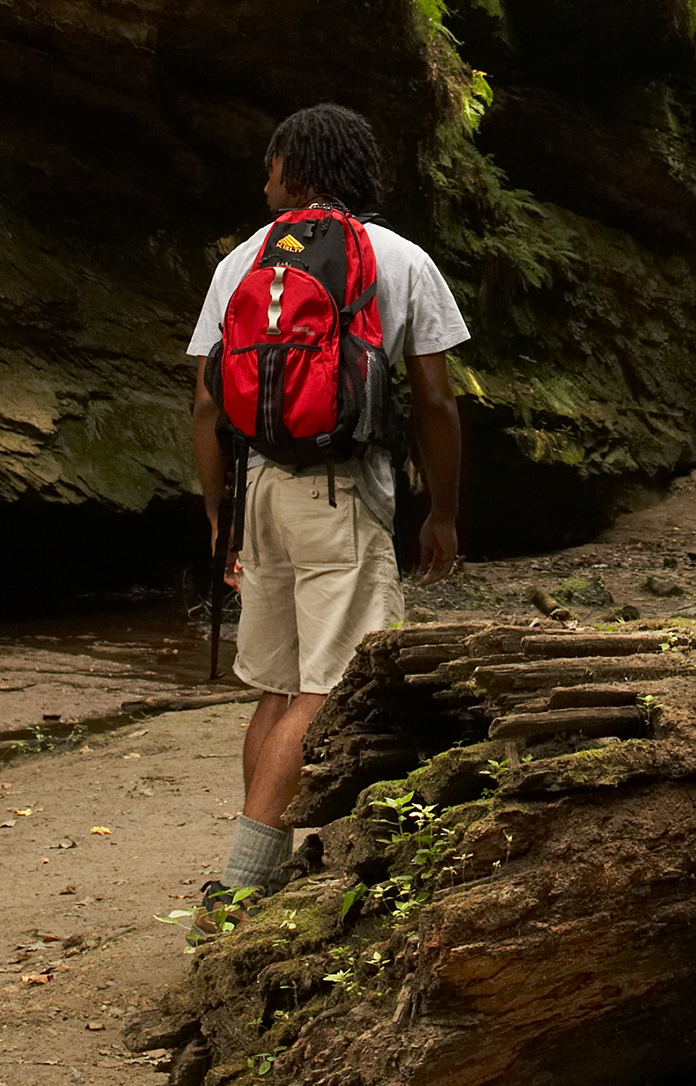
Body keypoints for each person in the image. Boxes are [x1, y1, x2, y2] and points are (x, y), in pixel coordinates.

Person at [187, 104, 467, 902]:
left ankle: (257, 868)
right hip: (343, 489)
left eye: (271, 164)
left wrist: (219, 514)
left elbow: (207, 403)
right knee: (330, 686)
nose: (262, 179)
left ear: (299, 168)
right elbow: (437, 402)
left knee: (277, 687)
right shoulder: (399, 258)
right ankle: (243, 886)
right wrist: (440, 512)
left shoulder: (243, 259)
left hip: (260, 488)